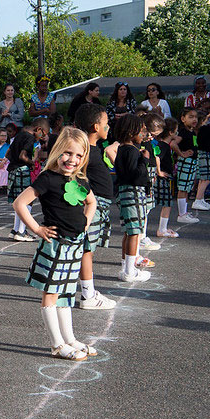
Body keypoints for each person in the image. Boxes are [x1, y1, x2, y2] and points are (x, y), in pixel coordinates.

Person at [14, 127, 98, 361]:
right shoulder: (48, 179)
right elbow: (20, 203)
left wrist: (85, 223)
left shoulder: (80, 179)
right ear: (58, 151)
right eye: (67, 153)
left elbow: (91, 203)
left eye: (79, 155)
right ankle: (56, 344)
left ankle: (70, 339)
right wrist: (37, 229)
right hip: (55, 244)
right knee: (51, 295)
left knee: (66, 293)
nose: (72, 159)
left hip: (75, 244)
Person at [73, 104, 117, 310]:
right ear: (95, 126)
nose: (108, 127)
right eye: (105, 124)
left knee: (88, 249)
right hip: (93, 204)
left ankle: (85, 290)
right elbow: (77, 178)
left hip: (100, 204)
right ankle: (88, 294)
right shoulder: (84, 151)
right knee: (86, 249)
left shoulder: (94, 148)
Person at [113, 114, 153, 282]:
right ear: (131, 133)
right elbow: (134, 175)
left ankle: (126, 267)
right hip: (132, 193)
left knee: (129, 232)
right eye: (140, 131)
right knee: (134, 231)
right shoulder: (130, 150)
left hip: (127, 192)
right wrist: (144, 160)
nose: (143, 134)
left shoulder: (124, 149)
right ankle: (130, 271)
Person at [7, 118, 50, 241]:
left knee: (18, 200)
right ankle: (21, 232)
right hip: (22, 170)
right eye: (44, 133)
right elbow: (23, 156)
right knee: (27, 200)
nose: (43, 137)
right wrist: (31, 163)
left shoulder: (19, 135)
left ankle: (15, 229)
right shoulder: (30, 138)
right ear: (39, 129)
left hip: (12, 170)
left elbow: (8, 153)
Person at [138, 114, 166, 256]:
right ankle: (141, 238)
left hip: (151, 174)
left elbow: (155, 156)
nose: (152, 137)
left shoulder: (151, 141)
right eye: (152, 134)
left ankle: (142, 236)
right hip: (144, 175)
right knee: (143, 207)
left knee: (147, 207)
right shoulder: (140, 141)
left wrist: (157, 171)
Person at [171, 107, 200, 224]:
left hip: (192, 162)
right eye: (191, 117)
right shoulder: (183, 132)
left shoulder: (192, 132)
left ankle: (185, 212)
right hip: (186, 163)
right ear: (183, 119)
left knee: (187, 187)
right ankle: (181, 214)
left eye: (196, 117)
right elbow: (173, 143)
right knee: (183, 188)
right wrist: (181, 154)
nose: (195, 119)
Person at [154, 118, 179, 238]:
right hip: (162, 178)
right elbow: (157, 157)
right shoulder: (163, 145)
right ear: (170, 132)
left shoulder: (163, 145)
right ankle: (162, 229)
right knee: (167, 203)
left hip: (164, 177)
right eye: (176, 131)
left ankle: (163, 227)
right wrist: (159, 172)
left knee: (166, 202)